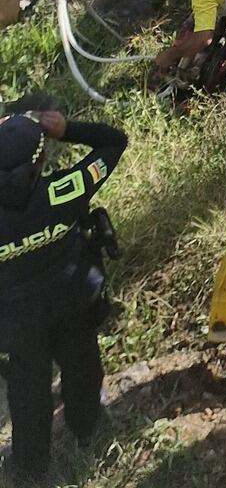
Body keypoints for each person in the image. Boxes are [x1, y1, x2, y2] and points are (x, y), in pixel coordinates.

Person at [0, 106, 126, 481]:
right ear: (40, 162)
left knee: (27, 389)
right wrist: (67, 128)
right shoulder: (63, 191)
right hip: (73, 303)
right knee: (83, 364)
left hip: (15, 323)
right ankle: (86, 427)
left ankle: (30, 463)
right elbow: (115, 141)